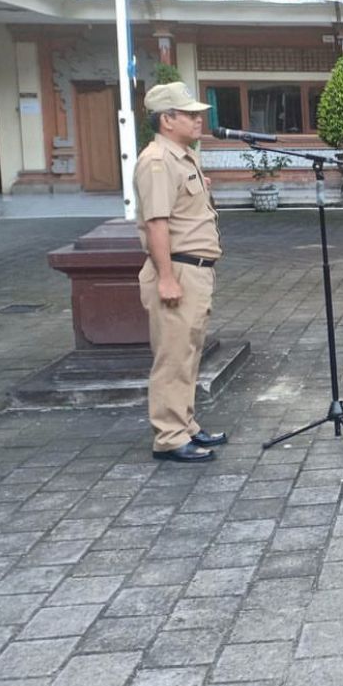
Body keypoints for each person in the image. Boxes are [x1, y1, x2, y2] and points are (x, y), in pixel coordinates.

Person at [135, 82, 228, 462]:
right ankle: (170, 437)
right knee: (173, 357)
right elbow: (157, 224)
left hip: (196, 271)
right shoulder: (157, 160)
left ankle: (185, 424)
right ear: (166, 119)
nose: (198, 119)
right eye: (189, 114)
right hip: (178, 271)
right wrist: (167, 277)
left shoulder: (182, 156)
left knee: (188, 354)